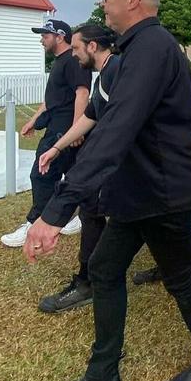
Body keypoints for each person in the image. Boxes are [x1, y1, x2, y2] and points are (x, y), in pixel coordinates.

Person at [23, 0, 191, 381]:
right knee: (103, 268)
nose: (102, 5)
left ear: (132, 0)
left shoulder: (153, 49)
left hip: (165, 193)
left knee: (182, 278)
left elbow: (117, 130)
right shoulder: (127, 56)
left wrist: (57, 211)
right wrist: (58, 149)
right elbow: (99, 114)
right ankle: (102, 378)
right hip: (139, 192)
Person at [36, 24, 119, 313]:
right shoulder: (106, 75)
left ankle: (89, 282)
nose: (72, 54)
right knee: (93, 211)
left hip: (125, 164)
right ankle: (89, 280)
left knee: (98, 212)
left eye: (75, 48)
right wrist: (57, 148)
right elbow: (90, 116)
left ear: (92, 46)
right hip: (113, 162)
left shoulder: (118, 71)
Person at [0, 19, 91, 248]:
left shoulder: (72, 61)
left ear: (60, 36)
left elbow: (82, 93)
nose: (42, 39)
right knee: (75, 173)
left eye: (45, 35)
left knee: (41, 175)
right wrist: (33, 120)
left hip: (63, 129)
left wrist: (75, 129)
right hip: (56, 126)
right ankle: (84, 215)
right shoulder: (59, 62)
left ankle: (35, 222)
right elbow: (51, 99)